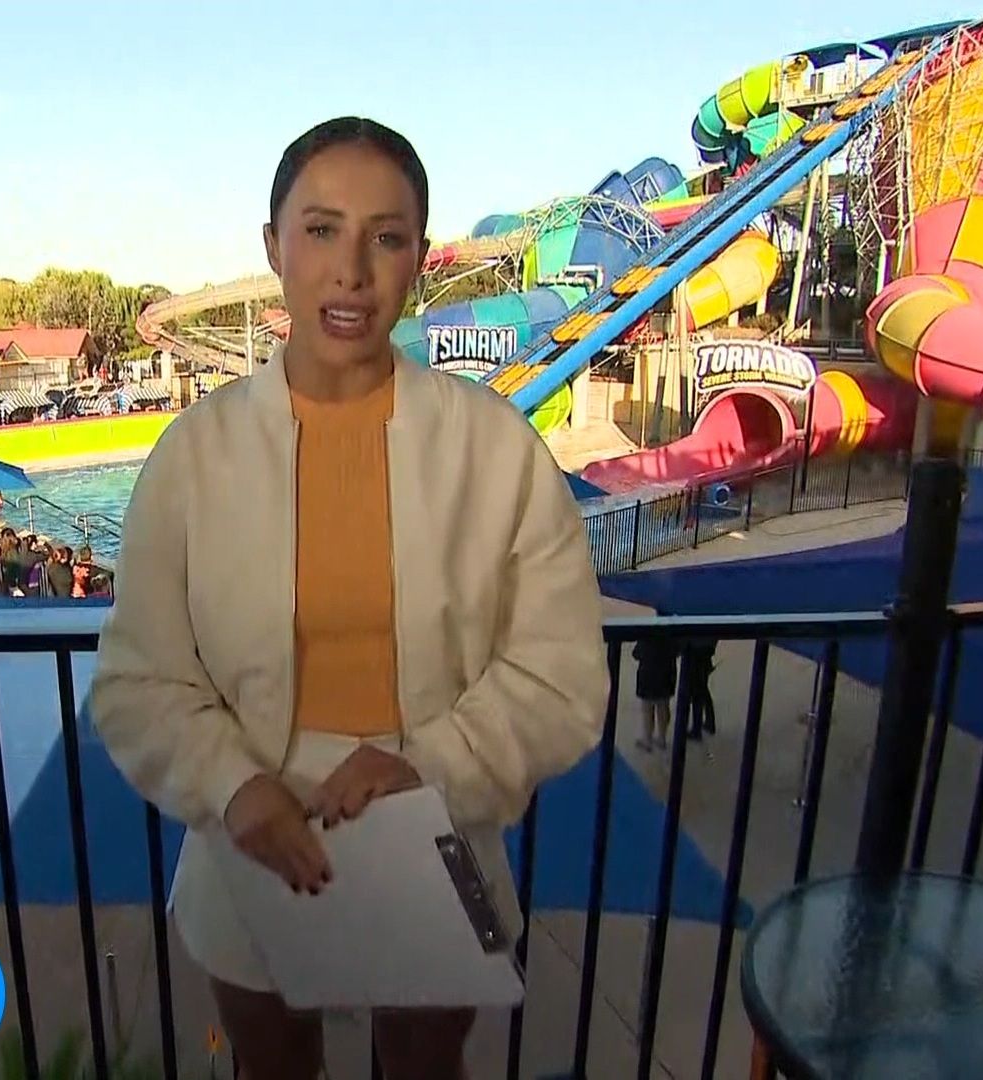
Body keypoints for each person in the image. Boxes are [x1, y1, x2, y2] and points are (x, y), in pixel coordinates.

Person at [90, 117, 606, 1080]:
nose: (352, 271)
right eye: (322, 230)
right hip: (249, 837)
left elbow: (560, 674)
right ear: (273, 246)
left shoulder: (495, 450)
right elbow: (138, 679)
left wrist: (432, 768)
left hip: (436, 825)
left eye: (387, 236)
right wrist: (232, 786)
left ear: (419, 258)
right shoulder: (194, 457)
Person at [632, 637, 680, 752]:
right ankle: (662, 738)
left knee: (647, 708)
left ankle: (647, 739)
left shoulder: (647, 634)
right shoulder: (671, 634)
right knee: (663, 706)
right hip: (667, 674)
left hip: (648, 673)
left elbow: (636, 654)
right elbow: (678, 650)